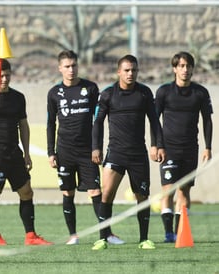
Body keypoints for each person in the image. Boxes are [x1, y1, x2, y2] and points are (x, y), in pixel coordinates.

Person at [46, 50, 124, 245]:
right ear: (60, 69)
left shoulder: (90, 88)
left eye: (74, 66)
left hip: (87, 151)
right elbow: (50, 124)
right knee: (68, 192)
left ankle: (106, 234)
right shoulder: (54, 93)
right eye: (67, 66)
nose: (71, 70)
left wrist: (96, 147)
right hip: (64, 150)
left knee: (96, 192)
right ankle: (73, 235)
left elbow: (98, 120)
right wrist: (50, 152)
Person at [91, 54, 166, 250]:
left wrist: (158, 145)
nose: (130, 73)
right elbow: (97, 122)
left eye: (134, 70)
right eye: (126, 70)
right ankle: (102, 238)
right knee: (106, 194)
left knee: (142, 196)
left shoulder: (144, 93)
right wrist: (96, 147)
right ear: (118, 72)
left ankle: (144, 239)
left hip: (138, 155)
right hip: (115, 153)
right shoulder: (108, 94)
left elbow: (154, 120)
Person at [0, 59, 52, 246]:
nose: (4, 79)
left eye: (7, 75)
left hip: (14, 153)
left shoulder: (18, 98)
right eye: (0, 75)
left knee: (26, 192)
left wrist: (26, 153)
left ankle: (31, 235)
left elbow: (23, 126)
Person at [152, 51, 213, 243]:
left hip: (190, 150)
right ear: (175, 69)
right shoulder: (164, 92)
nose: (185, 70)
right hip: (168, 149)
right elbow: (155, 121)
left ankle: (180, 232)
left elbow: (207, 121)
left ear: (193, 69)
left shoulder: (200, 92)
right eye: (181, 66)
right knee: (168, 189)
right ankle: (168, 233)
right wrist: (156, 145)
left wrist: (208, 147)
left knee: (184, 192)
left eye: (188, 66)